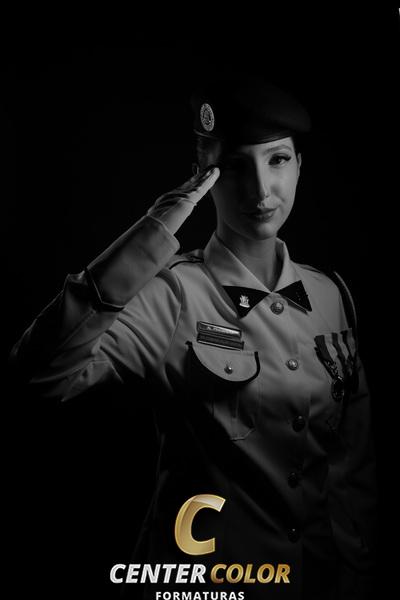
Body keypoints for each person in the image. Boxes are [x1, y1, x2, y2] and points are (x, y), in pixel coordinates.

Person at [10, 74, 376, 599]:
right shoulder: (175, 294)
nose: (261, 191)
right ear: (205, 174)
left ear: (299, 165)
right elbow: (40, 376)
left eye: (277, 160)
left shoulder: (329, 295)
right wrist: (155, 230)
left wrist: (356, 576)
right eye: (236, 166)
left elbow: (352, 467)